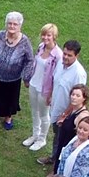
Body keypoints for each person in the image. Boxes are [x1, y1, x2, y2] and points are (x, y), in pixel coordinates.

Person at [0, 12, 35, 130]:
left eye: (15, 24)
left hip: (12, 78)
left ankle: (8, 117)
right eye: (10, 23)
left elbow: (30, 60)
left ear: (20, 26)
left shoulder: (25, 42)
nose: (12, 26)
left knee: (9, 99)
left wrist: (26, 77)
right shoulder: (0, 35)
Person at [38, 39, 87, 164]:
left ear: (76, 55)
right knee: (57, 137)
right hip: (56, 107)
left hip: (66, 114)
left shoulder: (78, 73)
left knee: (63, 141)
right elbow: (56, 81)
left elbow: (77, 99)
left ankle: (57, 166)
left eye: (69, 55)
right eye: (65, 53)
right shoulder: (60, 62)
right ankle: (54, 157)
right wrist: (49, 96)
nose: (65, 57)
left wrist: (64, 115)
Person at [22, 24, 62, 152]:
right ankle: (35, 135)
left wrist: (51, 94)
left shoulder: (58, 55)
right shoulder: (40, 47)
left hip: (45, 89)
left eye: (48, 35)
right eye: (43, 34)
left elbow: (57, 76)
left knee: (44, 115)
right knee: (34, 111)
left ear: (54, 36)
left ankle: (42, 139)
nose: (45, 37)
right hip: (34, 83)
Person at [41, 84, 89, 173]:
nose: (74, 97)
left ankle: (56, 174)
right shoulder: (74, 108)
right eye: (73, 94)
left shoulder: (82, 116)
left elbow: (83, 135)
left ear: (84, 98)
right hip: (63, 142)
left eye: (78, 95)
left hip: (69, 146)